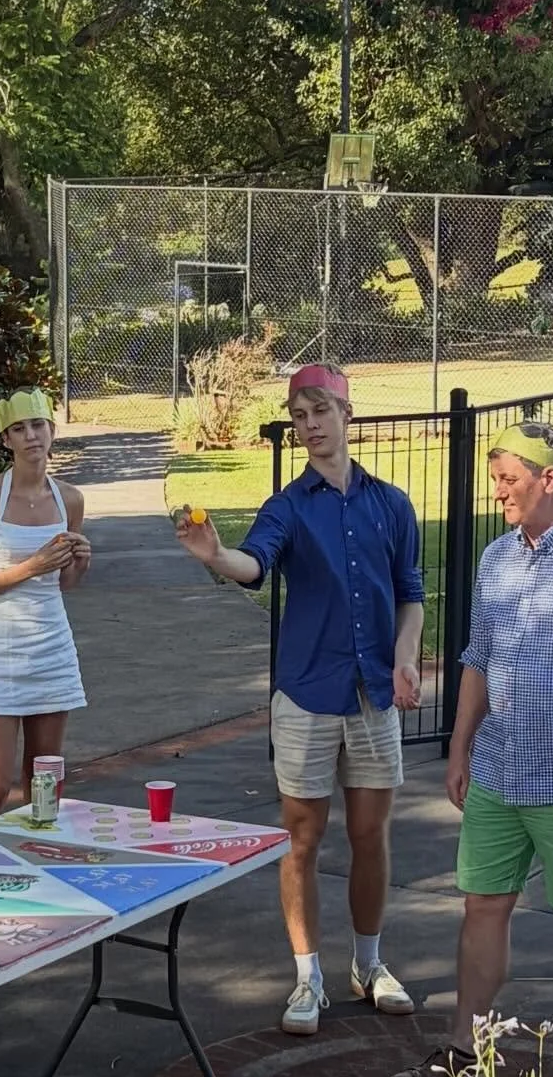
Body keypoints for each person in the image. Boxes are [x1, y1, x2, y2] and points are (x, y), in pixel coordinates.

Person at [177, 364, 424, 1036]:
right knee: (302, 838)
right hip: (307, 696)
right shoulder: (288, 505)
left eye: (320, 411)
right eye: (299, 415)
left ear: (348, 415)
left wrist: (405, 661)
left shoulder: (392, 504)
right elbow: (254, 564)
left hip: (374, 693)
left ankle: (368, 965)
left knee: (371, 835)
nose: (310, 425)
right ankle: (306, 975)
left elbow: (410, 596)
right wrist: (214, 555)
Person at [390, 421, 553, 1077]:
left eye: (509, 480)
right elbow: (477, 659)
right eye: (495, 480)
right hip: (497, 771)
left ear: (550, 480)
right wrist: (459, 747)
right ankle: (465, 1050)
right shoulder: (495, 558)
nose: (499, 494)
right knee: (482, 907)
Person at [0, 387, 91, 821]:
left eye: (38, 425)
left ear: (52, 431)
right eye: (19, 429)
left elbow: (64, 584)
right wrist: (30, 566)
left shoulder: (70, 498)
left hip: (51, 647)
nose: (31, 436)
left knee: (44, 782)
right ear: (6, 439)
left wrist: (79, 563)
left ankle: (39, 875)